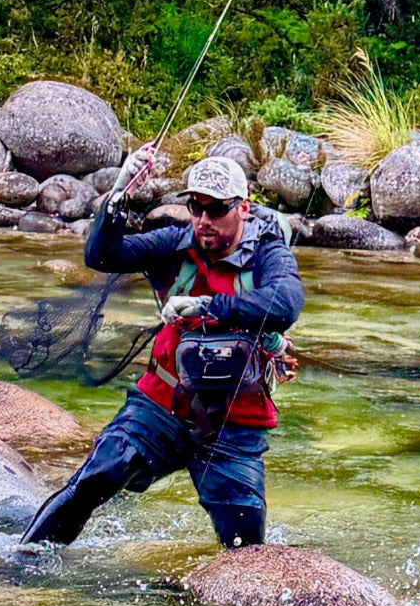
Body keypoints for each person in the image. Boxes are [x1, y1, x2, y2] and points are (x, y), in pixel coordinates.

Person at [19, 148, 303, 550]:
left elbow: (285, 304)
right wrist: (119, 193)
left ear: (243, 207)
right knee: (92, 481)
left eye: (216, 209)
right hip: (160, 406)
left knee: (244, 546)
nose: (203, 220)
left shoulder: (267, 254)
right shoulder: (174, 245)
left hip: (233, 424)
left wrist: (210, 306)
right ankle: (22, 562)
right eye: (195, 207)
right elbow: (103, 255)